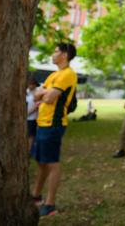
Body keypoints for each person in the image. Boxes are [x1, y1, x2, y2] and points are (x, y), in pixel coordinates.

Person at [31, 43, 78, 217]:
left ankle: (50, 204)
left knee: (52, 162)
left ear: (64, 55)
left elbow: (49, 98)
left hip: (54, 124)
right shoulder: (53, 75)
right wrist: (43, 93)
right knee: (41, 162)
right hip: (42, 123)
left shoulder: (68, 74)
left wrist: (44, 93)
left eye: (56, 51)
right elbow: (36, 94)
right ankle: (36, 196)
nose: (53, 54)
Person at [26, 74, 40, 156]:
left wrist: (27, 113)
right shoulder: (26, 91)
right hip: (26, 117)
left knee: (31, 135)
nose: (30, 85)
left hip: (33, 118)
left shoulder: (37, 92)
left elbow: (37, 106)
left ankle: (28, 152)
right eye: (29, 83)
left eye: (31, 84)